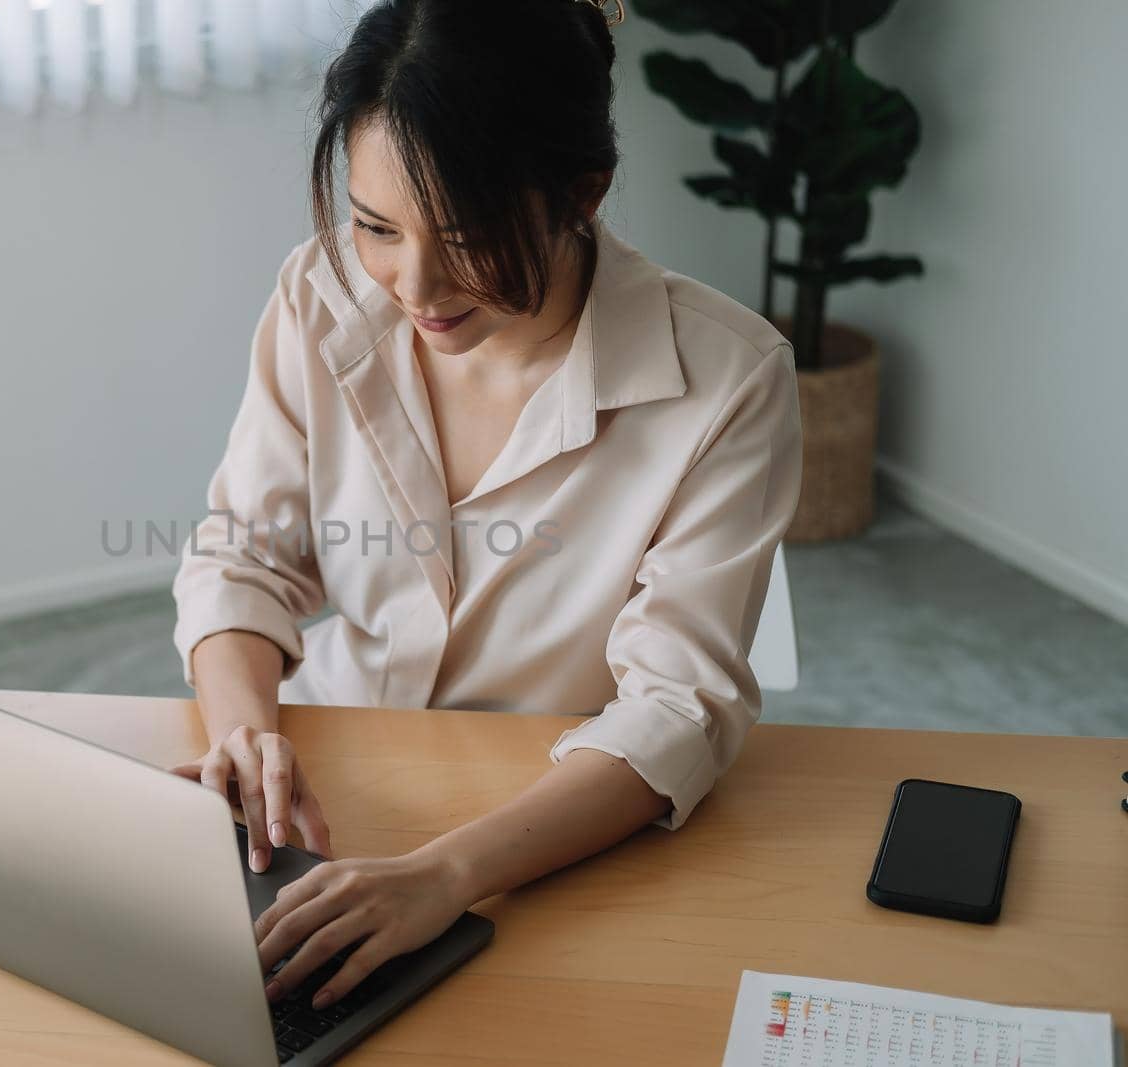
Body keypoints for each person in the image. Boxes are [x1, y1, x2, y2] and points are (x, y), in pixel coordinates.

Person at [169, 0, 802, 1015]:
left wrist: (446, 875)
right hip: (338, 784)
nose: (412, 284)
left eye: (465, 237)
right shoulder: (321, 292)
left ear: (580, 193)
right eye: (377, 225)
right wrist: (246, 734)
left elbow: (678, 705)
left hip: (555, 825)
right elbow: (243, 554)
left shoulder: (727, 380)